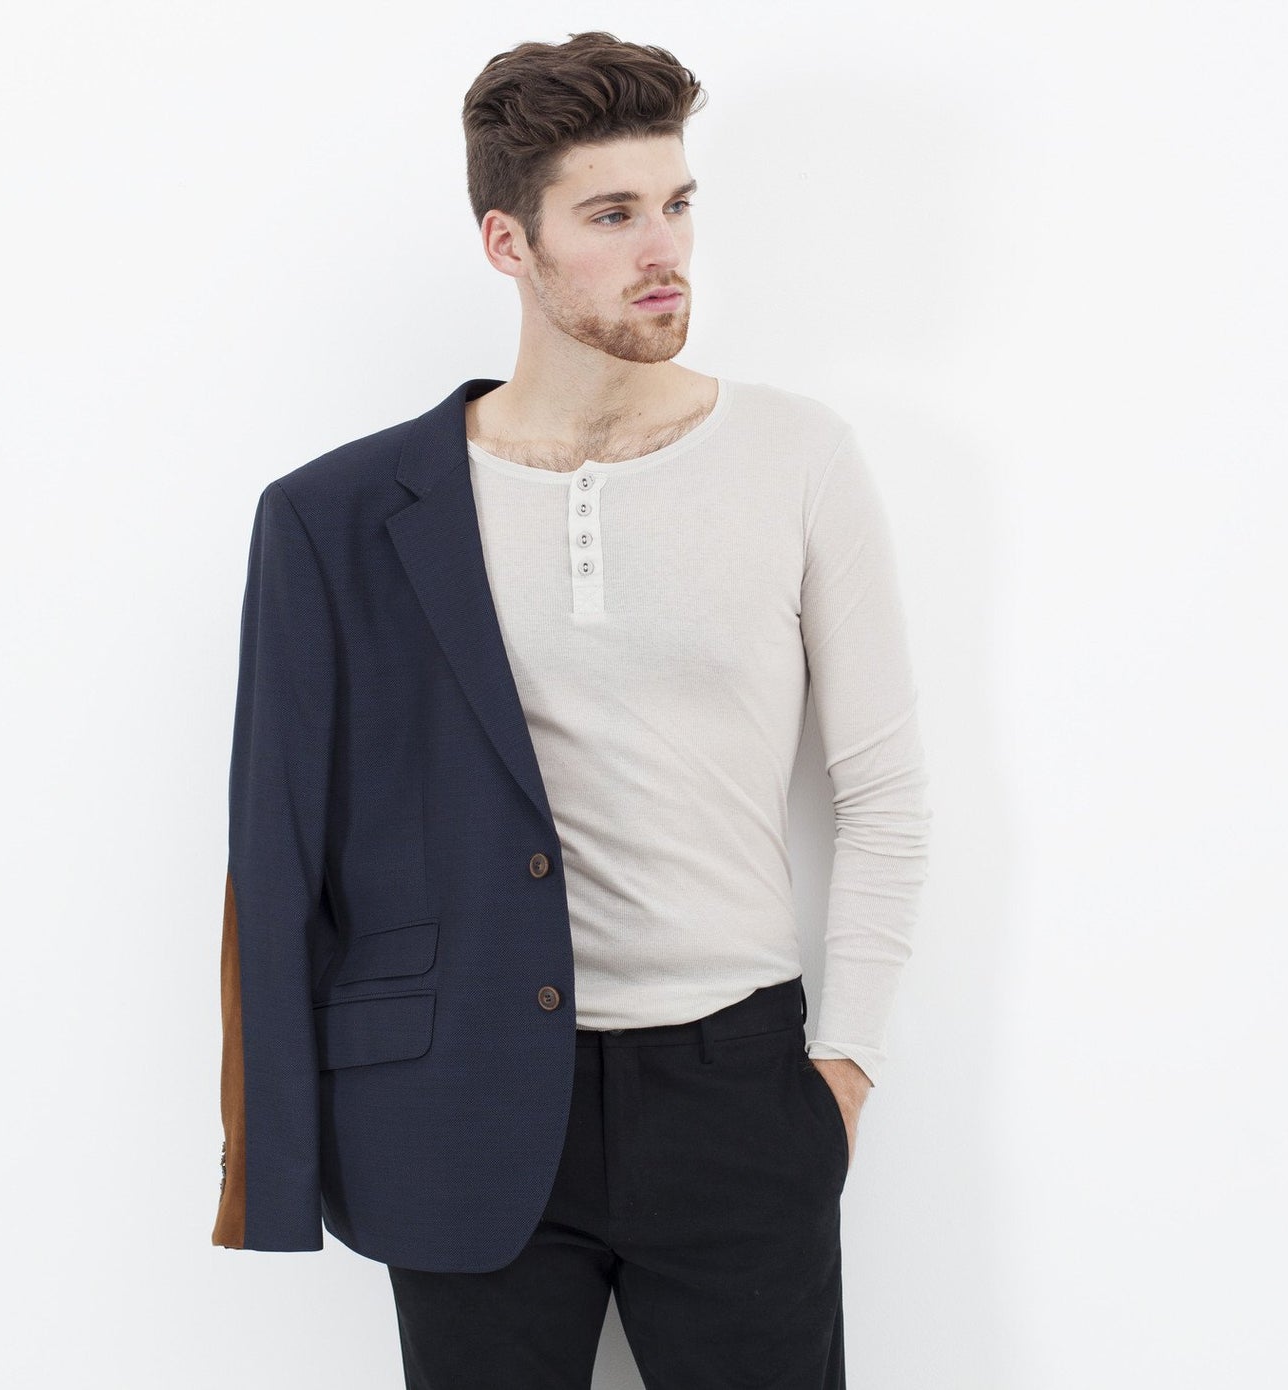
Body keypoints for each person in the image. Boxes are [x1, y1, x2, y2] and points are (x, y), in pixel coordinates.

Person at [213, 31, 931, 1389]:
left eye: (677, 203)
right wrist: (279, 1159)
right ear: (509, 242)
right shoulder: (339, 515)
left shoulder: (796, 458)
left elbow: (884, 794)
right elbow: (279, 851)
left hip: (734, 1090)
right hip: (456, 1099)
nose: (664, 249)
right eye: (611, 215)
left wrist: (840, 1070)